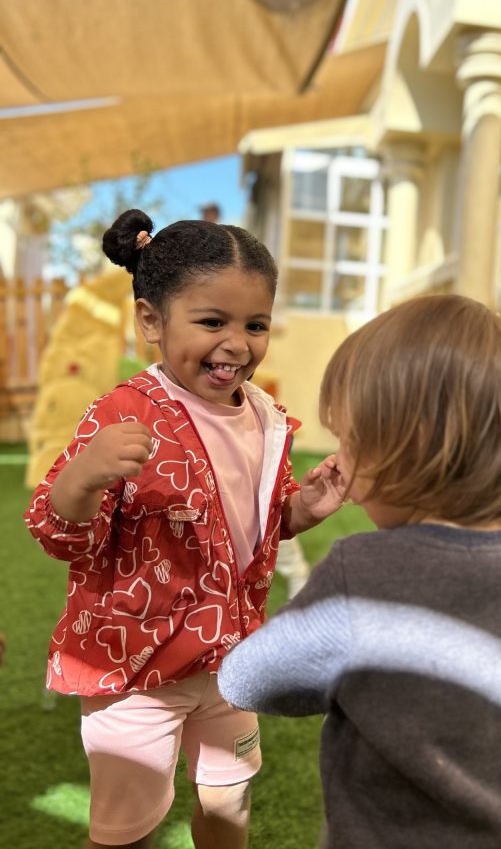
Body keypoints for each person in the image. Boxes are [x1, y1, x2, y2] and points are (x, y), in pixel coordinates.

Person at [218, 294, 501, 849]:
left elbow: (248, 680)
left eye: (348, 438)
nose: (339, 459)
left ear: (401, 449)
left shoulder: (361, 575)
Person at [25, 208, 346, 849]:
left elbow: (249, 524)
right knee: (126, 830)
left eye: (256, 325)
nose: (237, 343)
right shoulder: (122, 413)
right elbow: (59, 534)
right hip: (134, 669)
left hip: (229, 662)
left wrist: (299, 511)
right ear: (151, 320)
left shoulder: (263, 416)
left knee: (229, 808)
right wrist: (83, 475)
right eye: (211, 322)